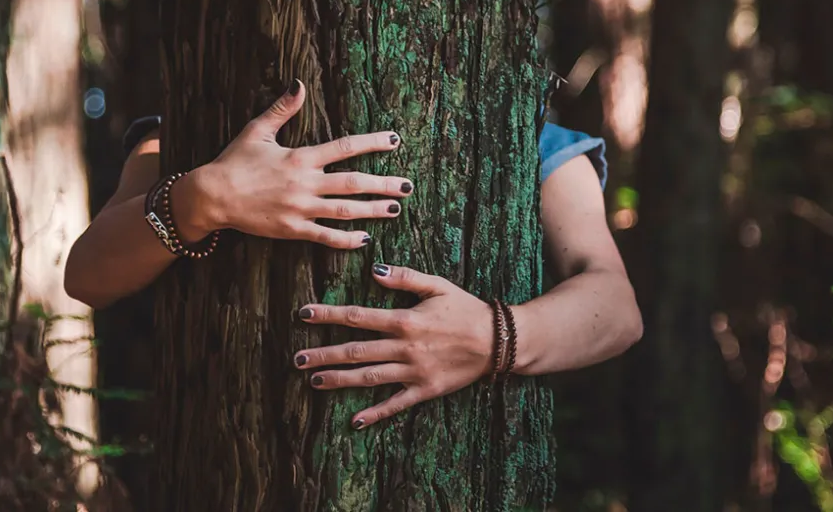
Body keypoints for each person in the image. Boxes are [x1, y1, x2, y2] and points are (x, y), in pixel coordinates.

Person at [65, 79, 642, 430]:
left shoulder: (529, 140)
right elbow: (88, 274)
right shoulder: (192, 126)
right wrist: (206, 196)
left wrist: (493, 337)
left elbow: (615, 307)